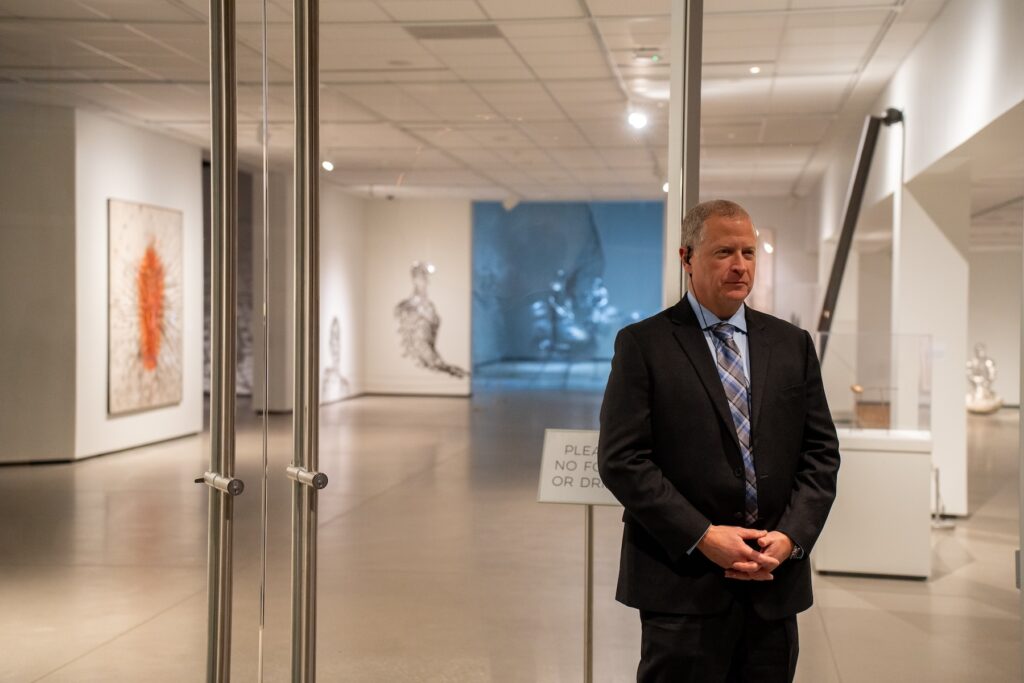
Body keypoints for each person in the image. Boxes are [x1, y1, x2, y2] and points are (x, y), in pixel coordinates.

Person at [598, 200, 840, 682]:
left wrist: (791, 538)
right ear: (687, 258)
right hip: (682, 585)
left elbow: (820, 454)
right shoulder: (644, 344)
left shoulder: (791, 344)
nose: (740, 265)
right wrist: (703, 537)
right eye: (724, 252)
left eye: (748, 252)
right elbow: (622, 460)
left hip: (772, 583)